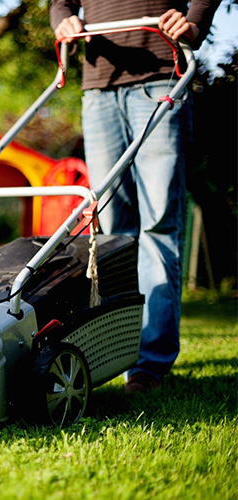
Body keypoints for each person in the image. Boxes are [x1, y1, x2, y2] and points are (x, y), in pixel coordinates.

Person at [50, 0, 221, 393]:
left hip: (162, 75)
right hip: (99, 87)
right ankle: (117, 351)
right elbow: (60, 3)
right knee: (113, 232)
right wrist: (63, 23)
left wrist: (194, 22)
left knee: (161, 224)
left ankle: (149, 364)